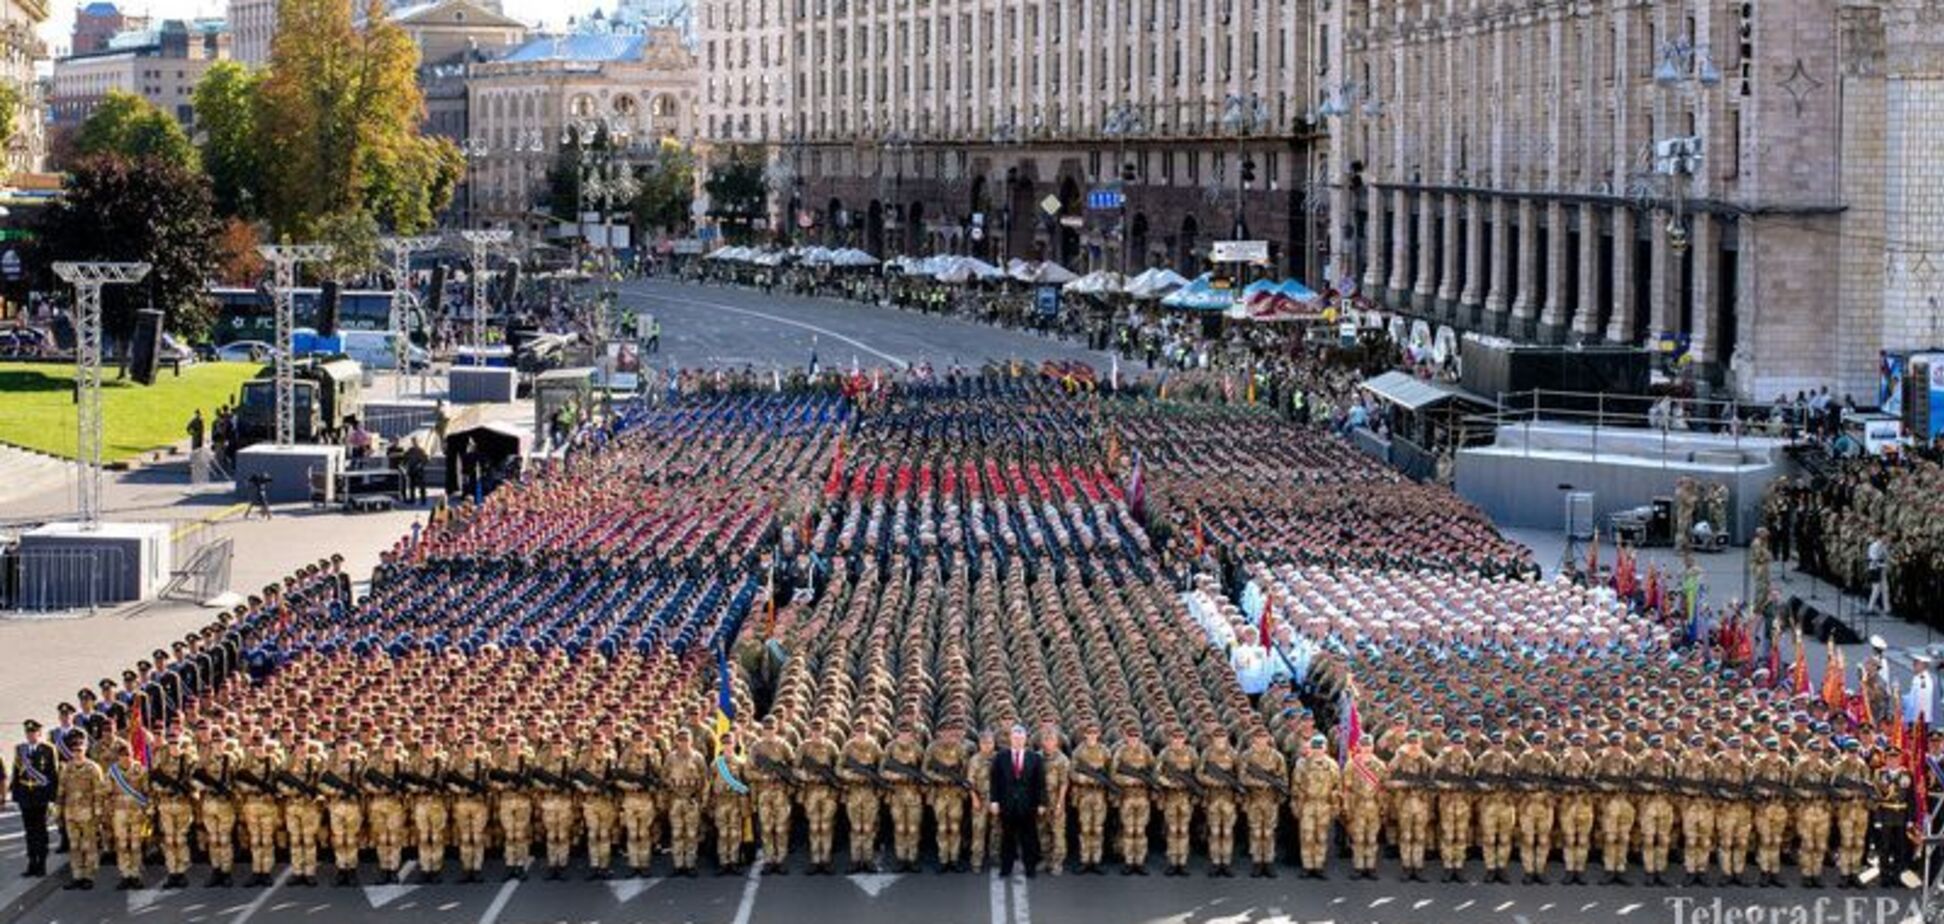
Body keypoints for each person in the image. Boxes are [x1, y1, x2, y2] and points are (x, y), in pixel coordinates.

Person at [988, 723, 1045, 878]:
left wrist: (1041, 803)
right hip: (1007, 803)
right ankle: (1006, 868)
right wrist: (994, 801)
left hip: (1027, 804)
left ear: (1025, 739)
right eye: (1015, 738)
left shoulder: (1035, 758)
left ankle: (1030, 868)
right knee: (1007, 837)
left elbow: (1040, 783)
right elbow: (994, 780)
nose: (1018, 741)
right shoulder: (1000, 757)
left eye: (1021, 738)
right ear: (1010, 739)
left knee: (1029, 837)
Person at [10, 720, 58, 878]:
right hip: (25, 795)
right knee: (29, 831)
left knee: (41, 831)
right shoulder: (20, 749)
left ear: (39, 733)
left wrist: (52, 798)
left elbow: (52, 774)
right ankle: (32, 863)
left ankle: (42, 863)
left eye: (33, 732)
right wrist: (16, 796)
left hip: (41, 796)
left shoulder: (48, 749)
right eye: (28, 733)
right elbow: (16, 774)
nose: (30, 735)